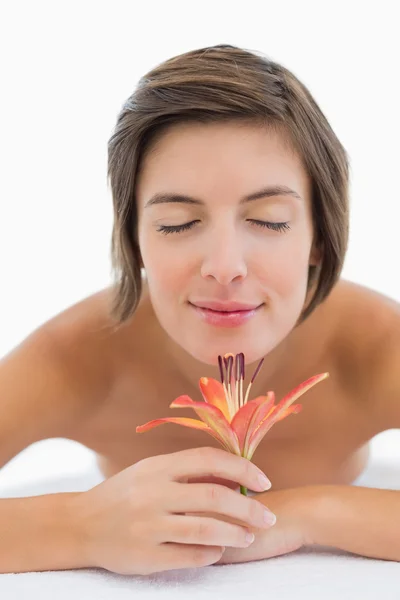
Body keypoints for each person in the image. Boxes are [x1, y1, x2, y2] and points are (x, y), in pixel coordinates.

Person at [0, 43, 399, 576]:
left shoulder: (374, 346)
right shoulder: (77, 357)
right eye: (178, 224)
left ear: (319, 239)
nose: (225, 266)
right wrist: (79, 526)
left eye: (271, 220)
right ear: (136, 241)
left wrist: (305, 513)